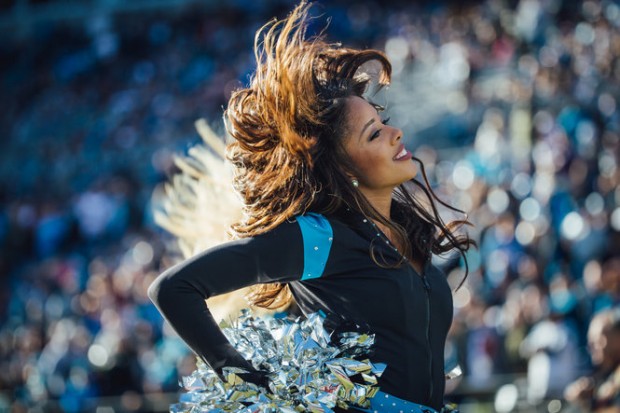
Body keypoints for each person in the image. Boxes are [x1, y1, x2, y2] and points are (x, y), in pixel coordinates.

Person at [148, 2, 474, 412]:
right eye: (374, 134)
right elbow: (173, 288)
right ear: (341, 166)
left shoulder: (408, 229)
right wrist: (243, 378)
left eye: (382, 119)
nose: (396, 133)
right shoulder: (319, 236)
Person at [564, 307, 620, 412]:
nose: (591, 347)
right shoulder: (608, 374)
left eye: (597, 340)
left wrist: (589, 405)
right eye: (590, 342)